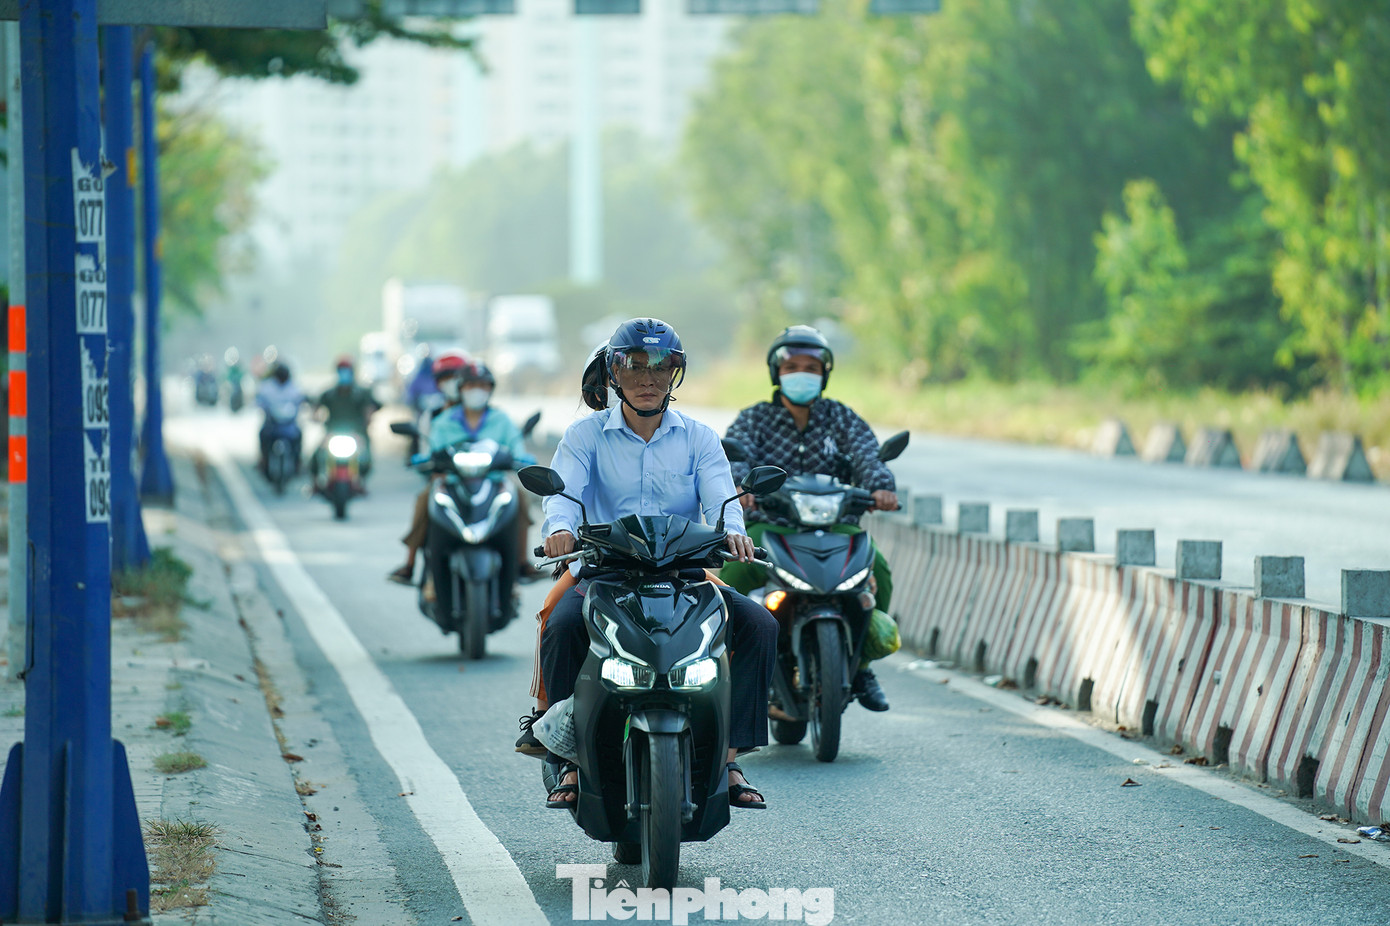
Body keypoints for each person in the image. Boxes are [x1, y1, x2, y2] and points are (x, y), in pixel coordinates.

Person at [536, 318, 776, 809]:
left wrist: (734, 533)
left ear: (676, 374)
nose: (648, 379)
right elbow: (562, 495)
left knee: (758, 624)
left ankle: (729, 757)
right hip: (604, 570)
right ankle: (569, 760)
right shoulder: (584, 437)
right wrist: (559, 531)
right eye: (634, 366)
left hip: (683, 573)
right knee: (559, 626)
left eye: (661, 367)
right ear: (613, 374)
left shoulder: (700, 438)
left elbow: (722, 497)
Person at [718, 325, 899, 712]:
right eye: (793, 366)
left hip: (835, 527)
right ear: (776, 373)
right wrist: (742, 485)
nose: (803, 373)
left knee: (877, 569)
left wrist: (881, 486)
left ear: (825, 374)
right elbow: (735, 458)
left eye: (812, 367)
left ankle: (862, 664)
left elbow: (868, 455)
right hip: (771, 526)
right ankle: (727, 664)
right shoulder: (755, 420)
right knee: (729, 577)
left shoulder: (841, 418)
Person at [387, 349, 469, 585]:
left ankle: (518, 568)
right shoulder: (432, 414)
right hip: (445, 479)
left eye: (455, 376)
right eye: (444, 378)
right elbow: (425, 450)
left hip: (483, 477)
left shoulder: (482, 411)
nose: (450, 382)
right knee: (425, 501)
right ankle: (410, 562)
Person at [312, 356, 379, 489]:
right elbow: (317, 408)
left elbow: (370, 408)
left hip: (356, 433)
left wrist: (368, 418)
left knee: (366, 458)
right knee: (316, 457)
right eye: (341, 371)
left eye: (346, 371)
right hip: (332, 433)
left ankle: (360, 480)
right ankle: (317, 483)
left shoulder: (361, 393)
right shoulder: (329, 394)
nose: (344, 374)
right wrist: (316, 417)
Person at [255, 362, 306, 475]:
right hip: (272, 423)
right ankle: (263, 460)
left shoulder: (293, 387)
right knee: (263, 434)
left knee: (299, 435)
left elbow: (301, 398)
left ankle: (298, 462)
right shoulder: (268, 387)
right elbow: (259, 400)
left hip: (289, 424)